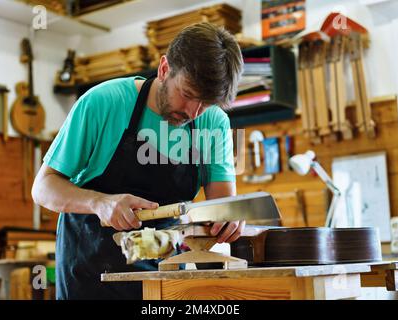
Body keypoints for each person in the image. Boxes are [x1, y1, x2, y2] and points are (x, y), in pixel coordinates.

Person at [31, 22, 245, 300]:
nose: (194, 111)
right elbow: (43, 188)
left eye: (206, 103)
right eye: (188, 94)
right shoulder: (103, 103)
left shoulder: (214, 123)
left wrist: (230, 219)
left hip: (163, 278)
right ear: (165, 69)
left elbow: (222, 209)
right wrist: (100, 203)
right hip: (90, 275)